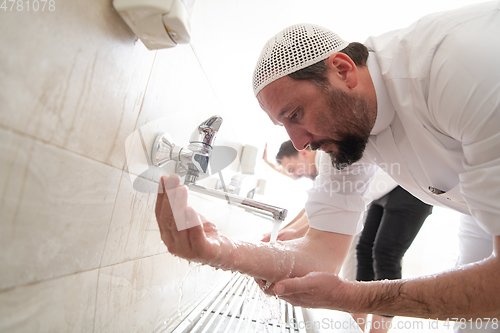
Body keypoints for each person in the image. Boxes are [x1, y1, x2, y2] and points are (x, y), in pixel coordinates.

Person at [155, 1, 500, 324]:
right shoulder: (348, 128)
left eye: (296, 114)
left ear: (342, 69)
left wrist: (354, 297)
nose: (300, 142)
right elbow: (322, 249)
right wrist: (220, 251)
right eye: (285, 125)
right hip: (477, 213)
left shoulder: (459, 68)